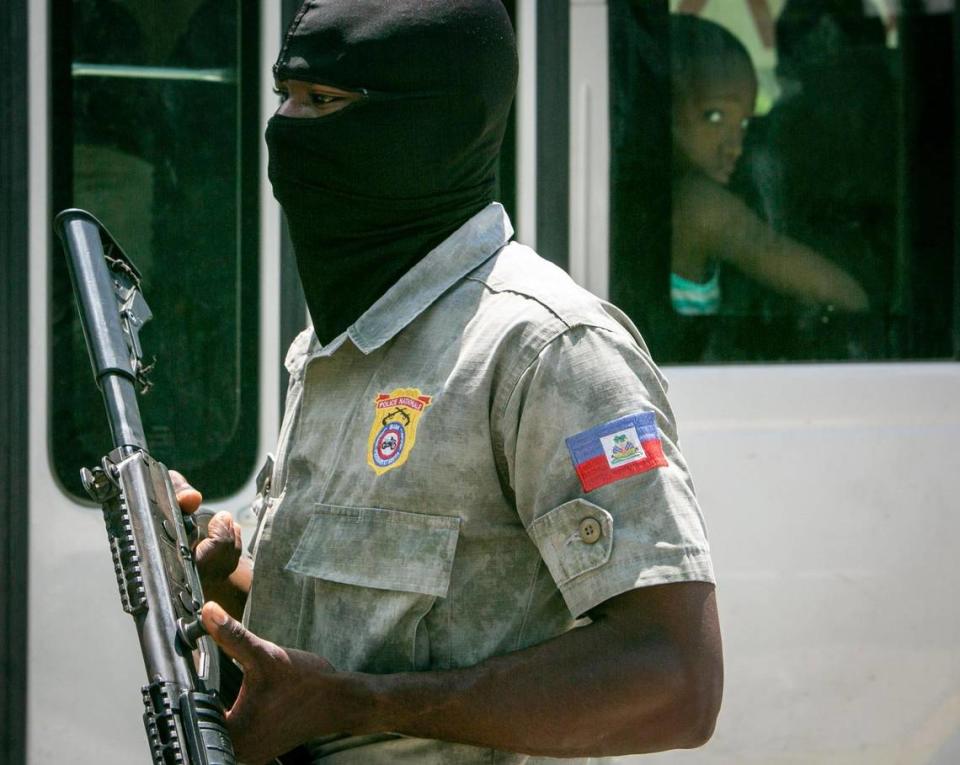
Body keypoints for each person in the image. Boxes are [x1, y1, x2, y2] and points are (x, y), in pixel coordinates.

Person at [174, 2, 722, 763]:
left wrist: (354, 703)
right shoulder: (335, 346)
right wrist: (222, 578)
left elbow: (675, 681)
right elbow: (349, 630)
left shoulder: (549, 350)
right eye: (285, 96)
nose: (286, 130)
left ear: (432, 126)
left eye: (324, 102)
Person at [669, 13, 869, 318]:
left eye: (745, 122)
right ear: (662, 111)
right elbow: (839, 294)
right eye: (714, 117)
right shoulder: (699, 204)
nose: (735, 146)